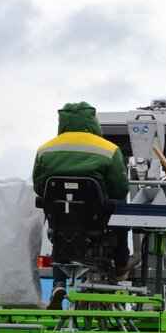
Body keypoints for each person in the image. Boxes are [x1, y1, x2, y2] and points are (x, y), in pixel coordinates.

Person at [33, 102, 133, 309]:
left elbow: (39, 187)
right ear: (92, 122)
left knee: (62, 230)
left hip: (61, 221)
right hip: (96, 224)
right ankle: (122, 264)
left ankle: (59, 283)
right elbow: (121, 190)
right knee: (122, 220)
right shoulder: (109, 150)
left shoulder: (45, 150)